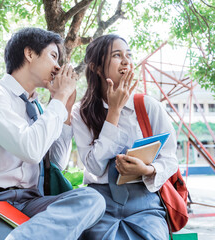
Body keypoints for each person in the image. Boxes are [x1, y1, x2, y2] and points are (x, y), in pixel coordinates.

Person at [0, 27, 106, 240]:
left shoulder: (38, 108)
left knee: (93, 199)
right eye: (53, 56)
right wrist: (59, 98)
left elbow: (57, 162)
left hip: (31, 203)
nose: (58, 66)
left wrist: (65, 109)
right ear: (29, 53)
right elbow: (30, 149)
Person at [71, 34, 178, 240]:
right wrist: (114, 112)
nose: (127, 61)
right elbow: (94, 167)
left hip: (145, 203)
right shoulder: (81, 112)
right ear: (97, 67)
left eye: (128, 55)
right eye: (117, 55)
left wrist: (146, 170)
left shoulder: (148, 106)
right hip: (99, 203)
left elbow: (170, 159)